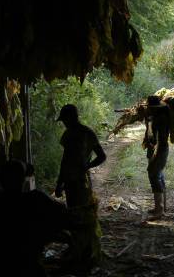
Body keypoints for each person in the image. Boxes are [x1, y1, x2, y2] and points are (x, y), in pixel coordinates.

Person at [54, 104, 106, 270]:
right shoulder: (86, 133)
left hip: (74, 181)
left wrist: (60, 183)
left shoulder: (71, 134)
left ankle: (83, 252)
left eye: (64, 120)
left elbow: (66, 162)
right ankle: (83, 250)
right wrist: (87, 166)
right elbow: (101, 157)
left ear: (70, 118)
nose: (64, 124)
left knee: (78, 215)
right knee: (81, 215)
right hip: (79, 181)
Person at [144, 95, 170, 218]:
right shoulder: (154, 117)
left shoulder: (162, 119)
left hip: (159, 151)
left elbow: (161, 140)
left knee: (154, 175)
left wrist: (155, 155)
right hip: (156, 150)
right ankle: (160, 208)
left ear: (155, 108)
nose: (148, 109)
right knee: (158, 175)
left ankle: (159, 210)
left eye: (150, 107)